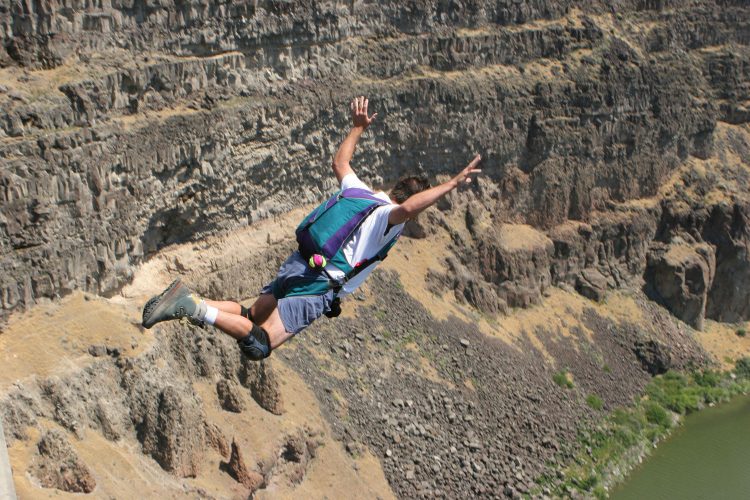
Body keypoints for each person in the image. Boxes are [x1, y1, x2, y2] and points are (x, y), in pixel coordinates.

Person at [141, 96, 481, 360]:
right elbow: (407, 209)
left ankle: (184, 298)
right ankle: (190, 305)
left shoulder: (359, 192)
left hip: (299, 264)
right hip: (317, 284)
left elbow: (340, 162)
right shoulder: (388, 217)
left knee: (251, 315)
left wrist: (357, 129)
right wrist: (451, 184)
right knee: (260, 344)